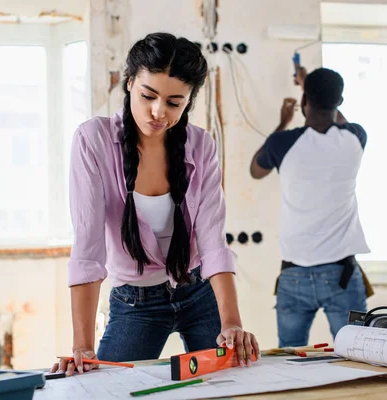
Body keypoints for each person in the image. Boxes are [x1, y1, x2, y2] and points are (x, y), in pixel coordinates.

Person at [52, 32, 259, 377]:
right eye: (148, 95)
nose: (158, 112)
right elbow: (88, 251)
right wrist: (82, 348)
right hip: (136, 303)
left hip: (198, 290)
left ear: (188, 102)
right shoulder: (94, 140)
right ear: (130, 82)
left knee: (232, 382)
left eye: (175, 102)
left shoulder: (201, 145)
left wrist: (233, 323)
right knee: (104, 387)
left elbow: (212, 239)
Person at [249, 67, 371, 347]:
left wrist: (282, 123)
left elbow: (256, 170)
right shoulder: (355, 138)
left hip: (294, 275)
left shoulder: (282, 143)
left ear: (305, 101)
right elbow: (339, 122)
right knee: (361, 356)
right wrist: (310, 88)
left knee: (290, 362)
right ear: (339, 102)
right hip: (341, 274)